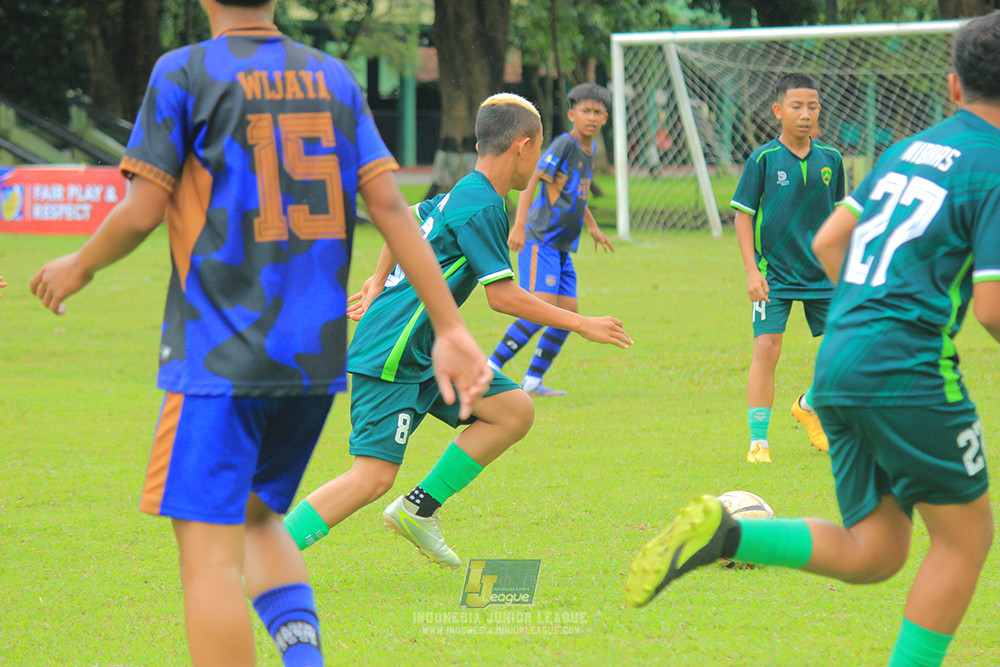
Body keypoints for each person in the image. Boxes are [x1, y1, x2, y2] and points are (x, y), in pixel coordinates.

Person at [29, 0, 492, 664]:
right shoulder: (331, 76)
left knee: (209, 558)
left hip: (219, 356)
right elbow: (391, 204)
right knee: (256, 521)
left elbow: (140, 210)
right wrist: (449, 323)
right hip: (312, 361)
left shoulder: (184, 72)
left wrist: (78, 263)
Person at [625, 12, 1000, 666]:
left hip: (841, 361)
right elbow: (993, 306)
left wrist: (863, 320)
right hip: (907, 368)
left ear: (952, 85)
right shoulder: (992, 165)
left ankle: (728, 534)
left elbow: (831, 241)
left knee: (877, 551)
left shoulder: (908, 149)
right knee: (964, 540)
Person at [283, 93, 632, 567]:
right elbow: (502, 296)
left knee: (512, 410)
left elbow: (402, 219)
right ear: (523, 147)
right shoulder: (483, 206)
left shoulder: (465, 190)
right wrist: (581, 323)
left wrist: (380, 278)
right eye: (541, 147)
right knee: (371, 477)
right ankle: (268, 553)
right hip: (393, 352)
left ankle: (417, 510)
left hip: (426, 352)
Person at [731, 72, 845, 462]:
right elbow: (743, 217)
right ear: (778, 111)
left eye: (812, 106)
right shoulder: (762, 159)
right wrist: (751, 270)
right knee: (766, 348)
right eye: (796, 106)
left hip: (823, 275)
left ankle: (809, 404)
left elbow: (840, 217)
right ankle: (759, 441)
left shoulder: (832, 159)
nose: (805, 114)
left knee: (848, 347)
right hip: (773, 274)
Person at [485, 83, 616, 397]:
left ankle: (532, 380)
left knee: (567, 312)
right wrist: (518, 225)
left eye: (598, 112)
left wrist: (593, 227)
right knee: (541, 305)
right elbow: (533, 180)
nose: (592, 117)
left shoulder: (590, 150)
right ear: (572, 114)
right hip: (540, 238)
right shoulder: (563, 145)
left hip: (561, 246)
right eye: (586, 111)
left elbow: (575, 196)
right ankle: (488, 368)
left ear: (606, 117)